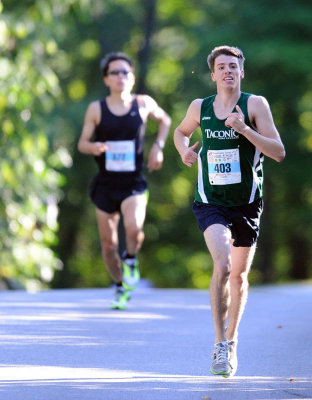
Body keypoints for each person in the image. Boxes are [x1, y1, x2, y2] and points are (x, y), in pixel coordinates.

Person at [174, 46, 285, 377]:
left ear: (241, 72)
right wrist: (183, 151)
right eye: (221, 67)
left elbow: (278, 152)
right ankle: (219, 345)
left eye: (232, 66)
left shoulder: (255, 105)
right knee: (221, 264)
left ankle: (232, 342)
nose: (227, 71)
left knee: (239, 275)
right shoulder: (200, 107)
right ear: (212, 75)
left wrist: (245, 130)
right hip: (210, 201)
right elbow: (181, 133)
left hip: (248, 201)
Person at [78, 51, 171, 310]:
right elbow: (82, 144)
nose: (120, 76)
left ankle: (131, 258)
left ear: (132, 77)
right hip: (106, 185)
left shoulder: (142, 104)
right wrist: (95, 147)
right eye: (114, 73)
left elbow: (165, 120)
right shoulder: (96, 109)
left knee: (134, 229)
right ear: (106, 79)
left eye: (125, 72)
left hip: (133, 183)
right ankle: (120, 287)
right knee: (108, 246)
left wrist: (158, 146)